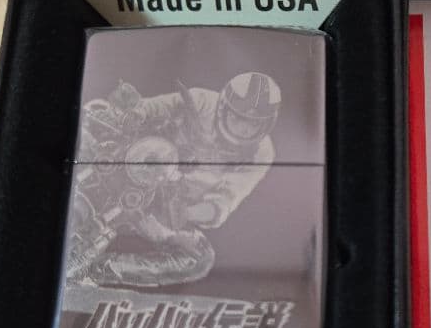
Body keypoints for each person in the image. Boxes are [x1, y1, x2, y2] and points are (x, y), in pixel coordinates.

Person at [67, 72, 281, 288]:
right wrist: (134, 114)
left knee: (199, 257)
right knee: (92, 119)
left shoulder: (262, 153)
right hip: (137, 160)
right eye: (237, 118)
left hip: (166, 205)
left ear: (266, 124)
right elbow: (153, 107)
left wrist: (183, 214)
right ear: (224, 108)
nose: (243, 128)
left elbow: (225, 200)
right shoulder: (201, 100)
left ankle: (96, 270)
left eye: (253, 124)